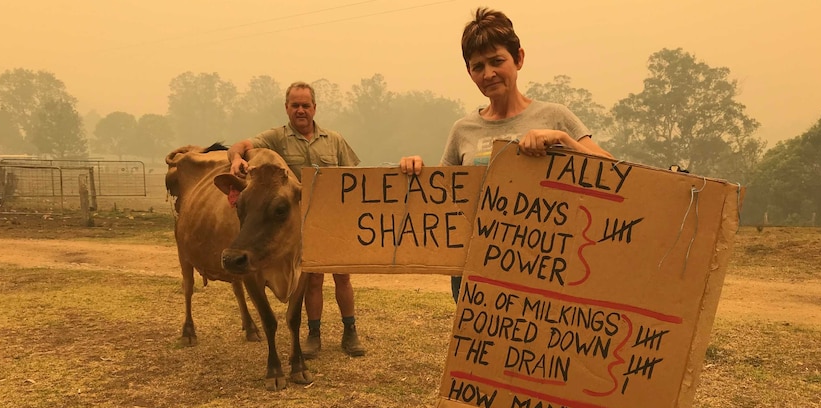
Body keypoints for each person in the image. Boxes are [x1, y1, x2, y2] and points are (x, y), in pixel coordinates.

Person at [399, 7, 613, 302]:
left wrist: (562, 139)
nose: (488, 74)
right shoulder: (462, 130)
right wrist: (417, 171)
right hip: (474, 265)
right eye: (478, 66)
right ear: (469, 72)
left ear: (519, 59)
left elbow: (614, 173)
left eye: (497, 61)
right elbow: (442, 197)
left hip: (543, 265)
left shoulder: (555, 117)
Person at [228, 81, 366, 358]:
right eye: (295, 106)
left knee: (342, 277)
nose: (301, 111)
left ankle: (350, 332)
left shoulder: (334, 140)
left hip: (332, 220)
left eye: (305, 105)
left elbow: (353, 176)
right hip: (299, 225)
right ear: (287, 108)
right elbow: (241, 145)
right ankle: (313, 335)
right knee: (312, 281)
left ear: (315, 108)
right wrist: (235, 159)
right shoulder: (277, 138)